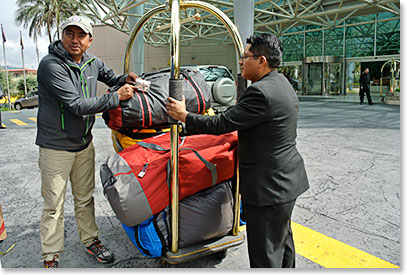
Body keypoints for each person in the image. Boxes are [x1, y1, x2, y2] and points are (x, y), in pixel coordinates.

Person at [166, 33, 309, 268]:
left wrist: (184, 116)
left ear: (261, 60)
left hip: (269, 188)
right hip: (286, 182)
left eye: (245, 57)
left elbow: (222, 124)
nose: (241, 62)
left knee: (265, 254)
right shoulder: (282, 83)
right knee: (282, 244)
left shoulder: (260, 92)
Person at [36, 15, 139, 268]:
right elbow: (76, 105)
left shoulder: (93, 63)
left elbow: (112, 78)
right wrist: (116, 97)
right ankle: (51, 255)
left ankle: (91, 240)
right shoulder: (51, 65)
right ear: (62, 36)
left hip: (83, 144)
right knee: (54, 205)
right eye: (69, 33)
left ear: (89, 40)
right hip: (55, 148)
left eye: (81, 35)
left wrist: (127, 79)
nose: (75, 39)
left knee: (85, 198)